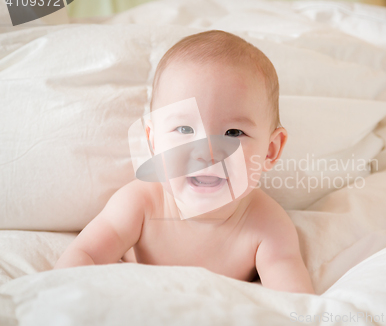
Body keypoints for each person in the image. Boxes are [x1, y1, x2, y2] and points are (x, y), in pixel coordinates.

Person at [54, 30, 315, 294]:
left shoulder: (267, 225)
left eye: (233, 133)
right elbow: (83, 256)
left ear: (270, 151)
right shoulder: (140, 205)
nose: (206, 153)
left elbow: (296, 303)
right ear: (154, 142)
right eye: (184, 129)